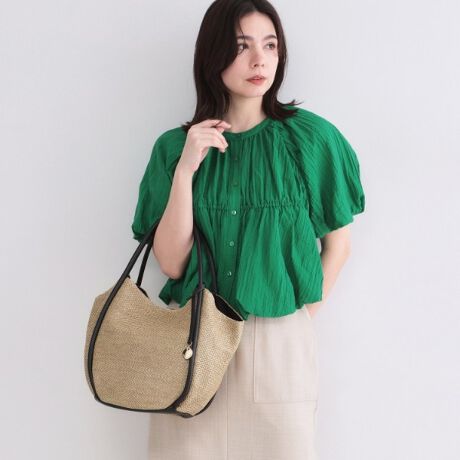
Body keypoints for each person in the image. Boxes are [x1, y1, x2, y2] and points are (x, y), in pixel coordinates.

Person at [131, 1, 366, 459]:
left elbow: (339, 245)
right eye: (242, 46)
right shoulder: (174, 148)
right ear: (212, 54)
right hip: (190, 344)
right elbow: (172, 263)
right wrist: (186, 170)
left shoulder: (310, 141)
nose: (260, 60)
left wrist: (296, 319)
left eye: (270, 45)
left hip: (277, 343)